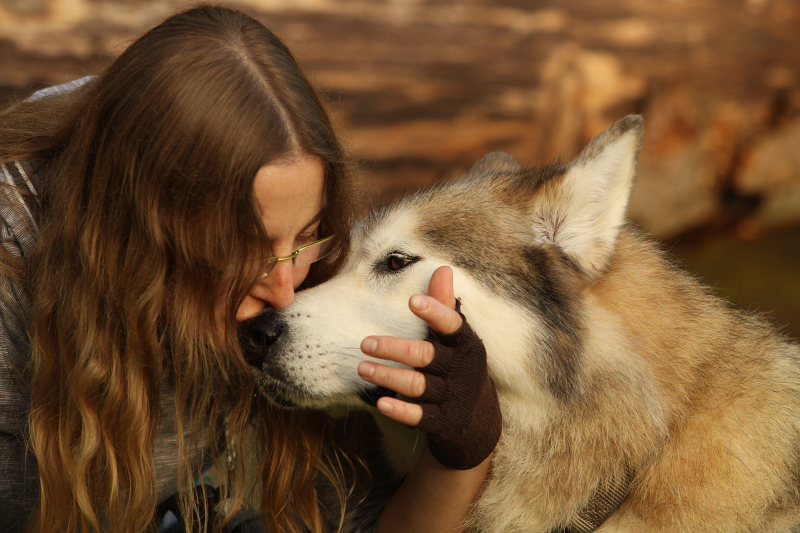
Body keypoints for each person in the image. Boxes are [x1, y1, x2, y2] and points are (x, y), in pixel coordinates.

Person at [0, 5, 500, 533]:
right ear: (138, 236)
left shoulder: (311, 262)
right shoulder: (13, 289)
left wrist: (460, 449)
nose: (287, 293)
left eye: (307, 234)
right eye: (242, 250)